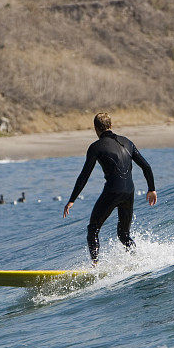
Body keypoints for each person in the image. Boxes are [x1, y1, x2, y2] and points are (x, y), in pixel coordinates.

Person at [63, 113, 156, 263]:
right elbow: (146, 166)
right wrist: (151, 189)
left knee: (93, 229)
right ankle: (138, 260)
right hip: (129, 192)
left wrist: (72, 199)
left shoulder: (96, 147)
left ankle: (95, 265)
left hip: (112, 191)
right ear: (111, 125)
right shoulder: (127, 142)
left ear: (95, 128)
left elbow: (84, 175)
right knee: (124, 234)